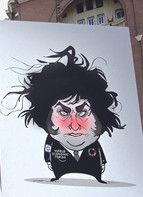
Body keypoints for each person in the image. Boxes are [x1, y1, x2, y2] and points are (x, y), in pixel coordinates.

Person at [8, 46, 124, 184]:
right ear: (45, 116)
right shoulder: (50, 146)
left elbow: (100, 155)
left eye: (82, 112)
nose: (74, 126)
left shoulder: (95, 147)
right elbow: (48, 150)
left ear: (100, 115)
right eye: (63, 112)